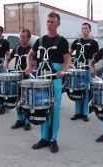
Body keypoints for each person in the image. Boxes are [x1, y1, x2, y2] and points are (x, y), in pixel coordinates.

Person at [26, 12, 71, 153]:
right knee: (42, 107)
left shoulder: (62, 41)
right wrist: (29, 66)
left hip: (55, 77)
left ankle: (53, 139)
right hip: (41, 77)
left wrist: (63, 70)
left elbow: (68, 59)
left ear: (58, 24)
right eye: (48, 21)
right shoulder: (40, 41)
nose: (49, 23)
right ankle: (44, 137)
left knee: (55, 109)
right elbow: (30, 54)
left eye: (52, 21)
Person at [69, 22, 99, 122]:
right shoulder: (77, 41)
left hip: (86, 69)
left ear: (89, 30)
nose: (84, 30)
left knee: (86, 91)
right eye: (82, 28)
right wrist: (69, 63)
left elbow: (95, 57)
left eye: (86, 28)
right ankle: (77, 112)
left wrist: (93, 68)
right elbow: (69, 53)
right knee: (77, 90)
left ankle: (85, 113)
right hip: (77, 69)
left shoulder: (94, 43)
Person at [5, 29, 32, 131]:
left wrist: (30, 69)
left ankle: (27, 121)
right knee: (18, 100)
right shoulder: (17, 47)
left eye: (24, 37)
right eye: (20, 36)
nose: (21, 38)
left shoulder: (31, 49)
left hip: (27, 78)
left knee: (27, 100)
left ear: (28, 38)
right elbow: (9, 58)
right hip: (16, 76)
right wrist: (6, 63)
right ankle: (20, 120)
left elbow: (35, 63)